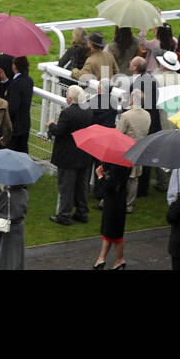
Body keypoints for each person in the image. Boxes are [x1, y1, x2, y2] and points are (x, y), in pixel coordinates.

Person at [50, 85, 94, 225]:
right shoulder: (88, 111)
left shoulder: (67, 113)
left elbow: (59, 131)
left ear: (70, 98)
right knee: (81, 186)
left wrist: (51, 125)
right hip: (84, 154)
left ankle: (64, 215)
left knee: (66, 187)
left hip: (68, 156)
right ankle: (82, 212)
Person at [93, 161, 130, 269]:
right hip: (117, 201)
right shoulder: (126, 162)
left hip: (114, 203)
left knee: (115, 235)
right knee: (109, 232)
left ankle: (120, 259)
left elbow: (108, 187)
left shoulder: (118, 166)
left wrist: (100, 176)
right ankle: (101, 258)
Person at [0, 183, 28, 271]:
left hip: (4, 228)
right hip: (18, 228)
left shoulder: (6, 194)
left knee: (2, 254)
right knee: (16, 254)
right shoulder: (25, 193)